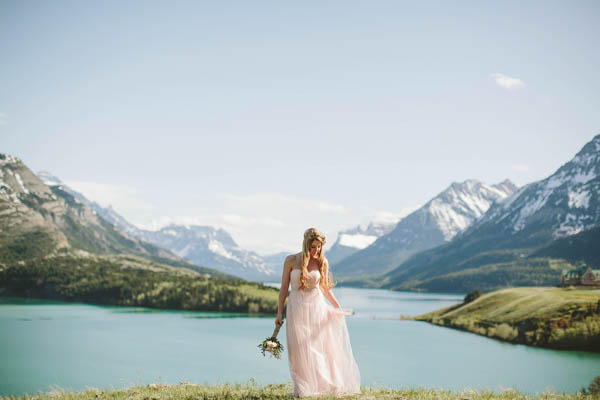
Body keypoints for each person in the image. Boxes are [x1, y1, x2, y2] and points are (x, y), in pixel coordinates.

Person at [275, 228, 361, 397]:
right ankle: (303, 387)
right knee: (298, 348)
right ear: (306, 244)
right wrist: (279, 313)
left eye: (319, 247)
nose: (316, 251)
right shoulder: (291, 260)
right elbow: (284, 288)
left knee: (317, 348)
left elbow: (325, 288)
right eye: (313, 247)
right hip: (296, 308)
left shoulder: (322, 261)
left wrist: (337, 306)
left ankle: (327, 384)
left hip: (316, 308)